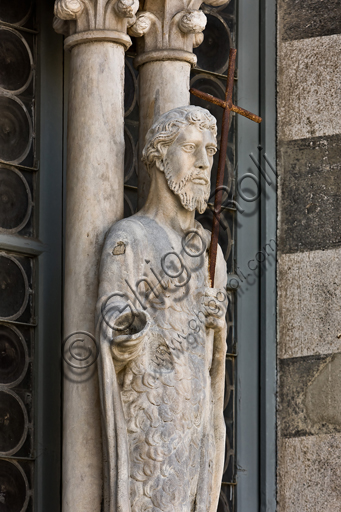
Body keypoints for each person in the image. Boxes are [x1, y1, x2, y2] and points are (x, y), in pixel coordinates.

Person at [96, 106, 228, 512]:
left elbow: (212, 361)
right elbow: (114, 334)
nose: (205, 162)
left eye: (210, 149)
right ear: (158, 155)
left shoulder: (211, 253)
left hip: (196, 427)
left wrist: (218, 327)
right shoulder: (130, 237)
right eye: (191, 148)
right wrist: (128, 330)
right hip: (149, 424)